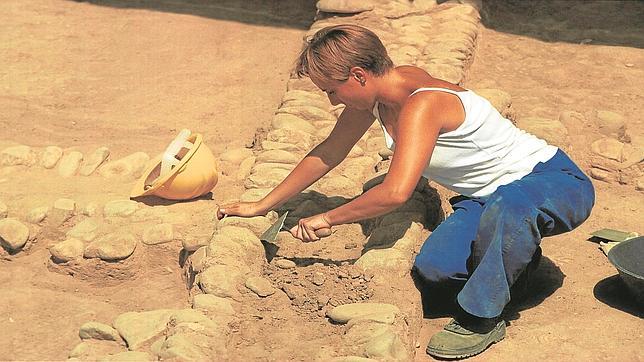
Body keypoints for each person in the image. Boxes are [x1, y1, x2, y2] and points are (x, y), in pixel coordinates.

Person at [216, 24, 595, 359]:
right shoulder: (382, 94)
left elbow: (396, 192)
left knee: (510, 206)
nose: (333, 101)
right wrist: (262, 204)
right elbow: (329, 153)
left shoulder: (422, 103)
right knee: (435, 272)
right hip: (486, 199)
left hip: (550, 182)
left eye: (333, 90)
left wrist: (329, 217)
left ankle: (483, 318)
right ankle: (519, 261)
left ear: (359, 75)